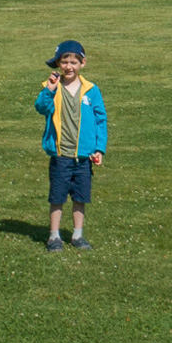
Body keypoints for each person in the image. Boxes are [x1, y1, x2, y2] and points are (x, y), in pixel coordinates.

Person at [33, 40, 106, 252]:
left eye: (73, 61)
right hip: (61, 154)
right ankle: (54, 236)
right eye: (64, 62)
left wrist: (99, 149)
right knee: (57, 197)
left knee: (80, 197)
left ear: (82, 63)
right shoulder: (53, 89)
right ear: (58, 64)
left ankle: (77, 235)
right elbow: (41, 108)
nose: (68, 66)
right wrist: (49, 90)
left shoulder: (91, 90)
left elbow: (101, 120)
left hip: (84, 156)